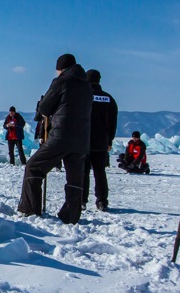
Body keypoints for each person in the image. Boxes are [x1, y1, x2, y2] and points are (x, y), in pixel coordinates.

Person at [16, 53, 93, 224]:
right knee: (75, 179)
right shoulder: (86, 86)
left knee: (34, 167)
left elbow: (45, 107)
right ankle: (71, 215)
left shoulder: (61, 81)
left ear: (60, 69)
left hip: (61, 135)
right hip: (81, 139)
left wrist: (41, 104)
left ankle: (30, 208)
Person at [82, 69, 118, 211]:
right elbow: (113, 122)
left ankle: (82, 200)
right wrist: (109, 140)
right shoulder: (109, 99)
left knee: (83, 172)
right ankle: (102, 201)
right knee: (100, 172)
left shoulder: (83, 97)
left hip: (85, 141)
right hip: (102, 142)